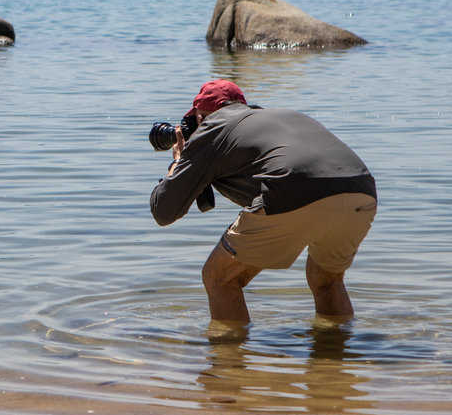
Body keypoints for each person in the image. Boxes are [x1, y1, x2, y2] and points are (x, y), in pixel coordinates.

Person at [150, 79, 377, 323]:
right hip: (361, 188)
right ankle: (336, 355)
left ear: (200, 116)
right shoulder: (276, 117)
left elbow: (164, 211)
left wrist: (178, 162)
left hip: (292, 186)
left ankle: (229, 359)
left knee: (220, 278)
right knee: (326, 280)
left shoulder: (212, 125)